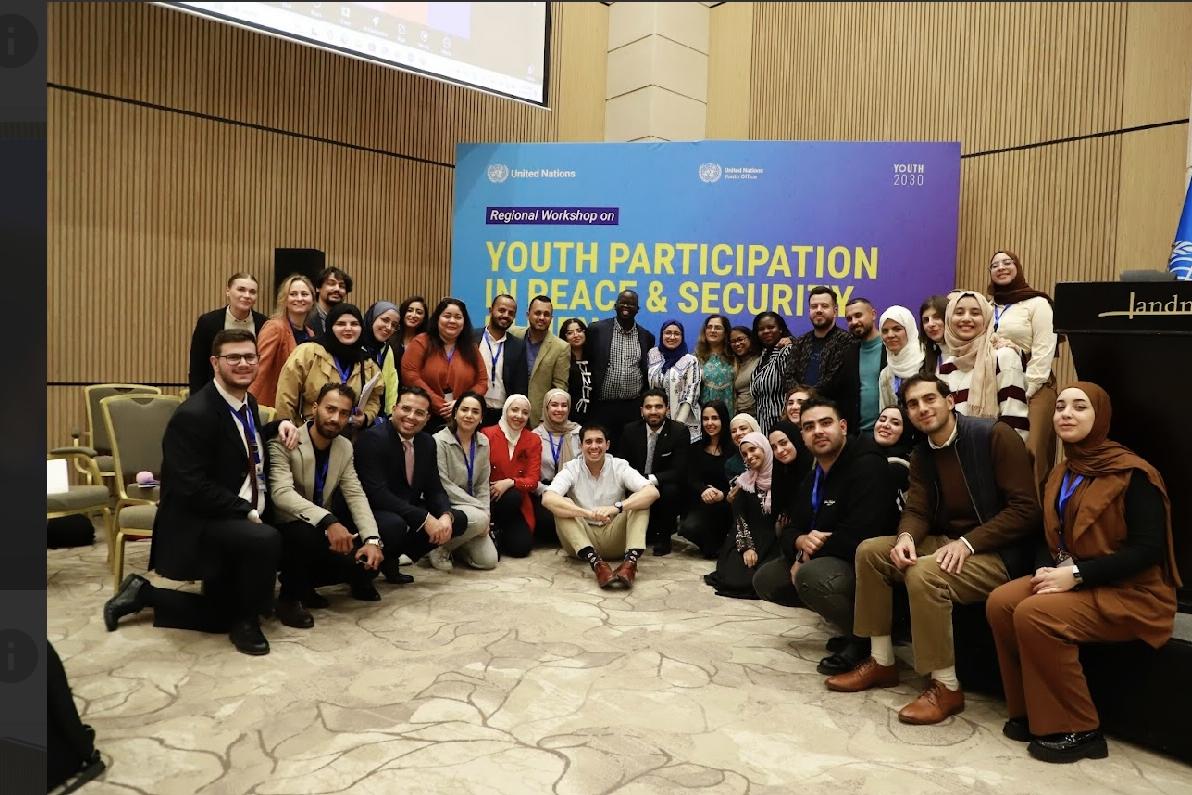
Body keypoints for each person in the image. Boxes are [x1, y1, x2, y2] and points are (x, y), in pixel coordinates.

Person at [826, 374, 1041, 726]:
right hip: (951, 543)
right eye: (913, 404)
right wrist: (907, 537)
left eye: (930, 399)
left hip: (1000, 553)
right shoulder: (923, 451)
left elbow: (1025, 510)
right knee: (872, 551)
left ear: (950, 401)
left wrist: (970, 543)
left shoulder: (993, 436)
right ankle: (881, 662)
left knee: (925, 573)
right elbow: (918, 510)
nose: (922, 409)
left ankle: (946, 686)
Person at [986, 383, 1181, 763]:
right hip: (1079, 580)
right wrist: (1052, 569)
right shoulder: (1062, 472)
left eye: (1080, 407)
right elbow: (1050, 535)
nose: (1066, 414)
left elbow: (1147, 550)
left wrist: (1076, 575)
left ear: (1101, 417)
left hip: (1133, 593)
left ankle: (1080, 729)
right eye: (1060, 407)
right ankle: (1030, 711)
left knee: (1034, 613)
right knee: (1001, 602)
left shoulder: (1134, 474)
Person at [105, 330, 301, 656]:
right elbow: (189, 487)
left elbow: (237, 444)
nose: (243, 364)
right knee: (264, 538)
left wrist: (275, 426)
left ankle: (145, 594)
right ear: (215, 362)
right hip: (199, 521)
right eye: (233, 357)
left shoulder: (246, 402)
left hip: (228, 513)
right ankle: (245, 620)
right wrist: (244, 511)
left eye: (249, 357)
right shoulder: (193, 415)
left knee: (217, 613)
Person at [754, 398, 897, 673]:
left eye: (826, 423)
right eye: (809, 427)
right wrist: (799, 542)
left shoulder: (868, 465)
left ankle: (866, 639)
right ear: (803, 437)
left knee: (811, 577)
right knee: (767, 579)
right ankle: (850, 626)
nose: (818, 431)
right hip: (829, 554)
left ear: (843, 427)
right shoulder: (815, 475)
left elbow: (861, 535)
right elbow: (792, 526)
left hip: (871, 566)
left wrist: (807, 555)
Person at [266, 383, 385, 629]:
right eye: (330, 409)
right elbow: (281, 494)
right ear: (315, 407)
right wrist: (329, 521)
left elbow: (355, 494)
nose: (335, 418)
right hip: (286, 526)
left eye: (343, 413)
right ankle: (290, 598)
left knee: (368, 564)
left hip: (322, 527)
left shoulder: (344, 446)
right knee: (305, 534)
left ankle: (307, 583)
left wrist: (372, 540)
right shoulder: (286, 439)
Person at [353, 385, 468, 582]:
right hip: (375, 510)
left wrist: (445, 515)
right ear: (394, 408)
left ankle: (391, 559)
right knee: (394, 525)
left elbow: (434, 488)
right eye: (406, 409)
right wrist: (424, 518)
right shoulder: (372, 439)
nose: (411, 417)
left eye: (419, 413)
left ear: (427, 418)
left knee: (458, 519)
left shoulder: (427, 442)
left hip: (406, 509)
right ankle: (361, 578)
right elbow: (376, 493)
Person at [541, 424, 660, 588]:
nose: (594, 446)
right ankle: (597, 565)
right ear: (580, 445)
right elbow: (547, 498)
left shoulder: (619, 466)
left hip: (614, 536)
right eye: (588, 442)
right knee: (563, 505)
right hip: (581, 541)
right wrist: (585, 513)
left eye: (599, 441)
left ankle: (630, 564)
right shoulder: (571, 468)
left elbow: (652, 492)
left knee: (639, 501)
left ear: (607, 445)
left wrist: (617, 507)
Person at [987, 250, 1059, 489]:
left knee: (1030, 451)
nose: (1001, 267)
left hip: (1034, 387)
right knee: (998, 452)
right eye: (995, 264)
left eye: (1007, 262)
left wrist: (1025, 389)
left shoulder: (1038, 303)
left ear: (1017, 267)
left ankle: (1038, 520)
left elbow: (1044, 349)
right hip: (995, 386)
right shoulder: (986, 307)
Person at [274, 303, 382, 435]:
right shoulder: (308, 352)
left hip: (347, 440)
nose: (348, 329)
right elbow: (286, 395)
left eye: (354, 324)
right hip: (304, 435)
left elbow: (374, 397)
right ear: (330, 327)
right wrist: (287, 427)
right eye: (341, 324)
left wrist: (365, 417)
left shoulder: (367, 363)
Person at [938, 291, 1030, 441]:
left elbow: (1015, 419)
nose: (966, 318)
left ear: (987, 318)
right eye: (959, 312)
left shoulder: (1004, 356)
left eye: (975, 313)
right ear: (949, 319)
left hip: (997, 453)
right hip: (960, 454)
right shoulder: (946, 367)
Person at [703, 432, 780, 599]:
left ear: (765, 449)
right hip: (746, 536)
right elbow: (739, 518)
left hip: (773, 541)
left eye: (753, 450)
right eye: (745, 454)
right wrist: (747, 547)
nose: (749, 457)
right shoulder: (743, 483)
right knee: (736, 580)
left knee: (767, 579)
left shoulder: (781, 479)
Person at [429, 391, 499, 571]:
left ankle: (456, 545)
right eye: (464, 410)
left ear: (482, 417)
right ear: (455, 413)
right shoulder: (439, 441)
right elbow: (444, 484)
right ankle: (439, 548)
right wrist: (480, 510)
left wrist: (485, 511)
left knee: (488, 561)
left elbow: (483, 484)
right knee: (479, 520)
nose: (469, 415)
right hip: (447, 505)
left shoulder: (483, 442)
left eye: (475, 411)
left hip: (474, 510)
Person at [618, 388, 692, 556]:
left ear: (667, 409)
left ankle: (664, 538)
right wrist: (636, 481)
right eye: (648, 407)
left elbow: (679, 471)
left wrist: (648, 480)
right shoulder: (630, 430)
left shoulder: (679, 431)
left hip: (663, 485)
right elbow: (620, 463)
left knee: (672, 489)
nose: (653, 411)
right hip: (635, 483)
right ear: (641, 410)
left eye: (658, 407)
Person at [399, 297, 487, 434]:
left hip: (462, 419)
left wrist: (461, 404)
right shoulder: (421, 342)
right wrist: (440, 405)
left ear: (464, 322)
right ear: (437, 319)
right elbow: (410, 375)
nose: (452, 321)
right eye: (447, 316)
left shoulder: (471, 347)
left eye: (458, 317)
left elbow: (482, 382)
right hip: (425, 416)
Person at [584, 290, 656, 449]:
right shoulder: (597, 330)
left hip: (632, 407)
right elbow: (587, 360)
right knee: (601, 450)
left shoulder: (646, 337)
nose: (626, 306)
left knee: (628, 452)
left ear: (638, 309)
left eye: (631, 304)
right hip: (602, 405)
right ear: (615, 306)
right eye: (623, 302)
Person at [481, 394, 541, 558]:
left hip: (516, 504)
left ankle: (499, 530)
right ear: (506, 410)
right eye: (514, 410)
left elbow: (533, 481)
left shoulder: (533, 439)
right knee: (512, 496)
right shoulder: (487, 434)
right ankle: (492, 528)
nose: (519, 416)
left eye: (525, 412)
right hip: (488, 499)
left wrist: (510, 482)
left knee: (521, 549)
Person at [187, 272, 267, 395]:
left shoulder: (265, 324)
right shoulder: (208, 322)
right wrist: (197, 401)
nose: (247, 295)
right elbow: (198, 368)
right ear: (228, 291)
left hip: (253, 395)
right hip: (214, 395)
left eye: (252, 292)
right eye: (241, 290)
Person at [251, 274, 316, 408]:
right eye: (293, 294)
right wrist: (247, 406)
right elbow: (259, 369)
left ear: (312, 300)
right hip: (271, 406)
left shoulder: (310, 334)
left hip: (296, 407)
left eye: (304, 294)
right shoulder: (275, 328)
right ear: (285, 300)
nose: (299, 298)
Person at [677, 401, 733, 559]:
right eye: (705, 419)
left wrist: (723, 494)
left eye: (715, 418)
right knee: (689, 528)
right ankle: (714, 546)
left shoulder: (734, 449)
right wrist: (704, 490)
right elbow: (691, 478)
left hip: (728, 503)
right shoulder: (695, 448)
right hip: (703, 503)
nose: (710, 423)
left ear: (723, 420)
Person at [782, 286, 855, 404]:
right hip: (799, 409)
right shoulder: (801, 341)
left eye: (824, 306)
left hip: (831, 410)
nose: (819, 310)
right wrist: (800, 398)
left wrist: (807, 398)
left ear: (835, 311)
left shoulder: (847, 340)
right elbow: (788, 376)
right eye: (814, 306)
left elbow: (834, 380)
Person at [510, 295, 570, 428]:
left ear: (551, 318)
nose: (542, 318)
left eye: (546, 314)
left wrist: (546, 418)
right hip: (509, 413)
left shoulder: (561, 347)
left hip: (538, 419)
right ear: (527, 315)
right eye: (537, 313)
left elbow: (559, 387)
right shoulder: (513, 334)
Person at [531, 388, 581, 546]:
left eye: (564, 405)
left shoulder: (579, 433)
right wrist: (547, 491)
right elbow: (530, 474)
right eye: (554, 405)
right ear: (546, 408)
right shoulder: (535, 435)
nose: (559, 409)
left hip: (573, 489)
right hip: (544, 490)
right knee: (547, 523)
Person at [647, 319, 702, 443]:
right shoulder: (652, 354)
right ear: (661, 335)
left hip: (683, 422)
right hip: (656, 419)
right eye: (668, 333)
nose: (672, 337)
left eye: (677, 333)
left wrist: (677, 425)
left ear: (682, 337)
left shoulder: (690, 360)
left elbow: (691, 394)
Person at [476, 294, 528, 427]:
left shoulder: (518, 345)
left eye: (511, 313)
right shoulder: (472, 338)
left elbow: (520, 385)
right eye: (501, 310)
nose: (506, 315)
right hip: (474, 410)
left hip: (503, 415)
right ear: (490, 310)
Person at [838, 297, 886, 434]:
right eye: (849, 318)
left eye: (858, 315)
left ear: (873, 314)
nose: (854, 322)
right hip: (857, 436)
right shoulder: (848, 353)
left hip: (888, 434)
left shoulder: (891, 347)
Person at [748, 311, 796, 434]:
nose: (766, 331)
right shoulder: (762, 357)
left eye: (771, 327)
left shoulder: (787, 351)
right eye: (761, 329)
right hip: (764, 427)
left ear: (780, 329)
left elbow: (793, 389)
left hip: (783, 427)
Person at [876, 305, 924, 411]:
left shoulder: (928, 362)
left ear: (909, 329)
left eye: (897, 329)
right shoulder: (886, 374)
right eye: (884, 331)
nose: (890, 335)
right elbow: (885, 411)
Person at [360, 301, 401, 419]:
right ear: (372, 318)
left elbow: (391, 384)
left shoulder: (387, 349)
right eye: (385, 320)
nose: (389, 328)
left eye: (394, 325)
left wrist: (390, 415)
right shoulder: (355, 344)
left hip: (376, 415)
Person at [873, 405, 916, 510]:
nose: (886, 425)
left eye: (895, 423)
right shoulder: (867, 455)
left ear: (905, 431)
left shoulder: (897, 467)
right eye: (882, 420)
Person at [695, 315, 735, 413]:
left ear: (725, 333)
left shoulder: (735, 357)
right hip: (705, 416)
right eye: (709, 327)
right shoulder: (695, 359)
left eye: (717, 328)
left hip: (731, 413)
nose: (712, 330)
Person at [561, 318, 593, 423]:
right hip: (569, 418)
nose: (576, 335)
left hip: (594, 417)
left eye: (579, 331)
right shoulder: (562, 361)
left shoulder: (595, 359)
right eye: (570, 333)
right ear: (564, 337)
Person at [309, 266, 352, 337]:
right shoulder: (306, 317)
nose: (337, 289)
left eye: (342, 286)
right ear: (318, 288)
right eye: (331, 284)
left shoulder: (349, 318)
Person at [393, 295, 429, 376]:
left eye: (419, 312)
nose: (413, 315)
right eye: (409, 310)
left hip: (418, 387)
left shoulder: (428, 341)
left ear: (424, 318)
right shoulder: (390, 337)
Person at [729, 326, 760, 419]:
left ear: (750, 339)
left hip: (758, 416)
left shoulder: (761, 360)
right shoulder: (733, 364)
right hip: (739, 416)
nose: (737, 344)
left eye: (740, 339)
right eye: (733, 341)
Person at [725, 412, 762, 485]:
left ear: (753, 429)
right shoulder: (731, 464)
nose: (738, 433)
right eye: (733, 431)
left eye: (743, 428)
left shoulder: (770, 453)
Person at [918, 295, 949, 375]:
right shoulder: (929, 360)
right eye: (926, 320)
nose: (930, 324)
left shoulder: (967, 356)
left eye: (937, 317)